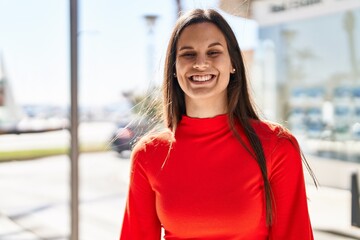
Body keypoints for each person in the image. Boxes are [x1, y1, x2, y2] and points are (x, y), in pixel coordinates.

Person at [120, 8, 316, 240]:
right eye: (188, 54)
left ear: (233, 63)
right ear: (174, 68)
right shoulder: (148, 154)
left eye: (213, 52)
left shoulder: (277, 146)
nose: (201, 63)